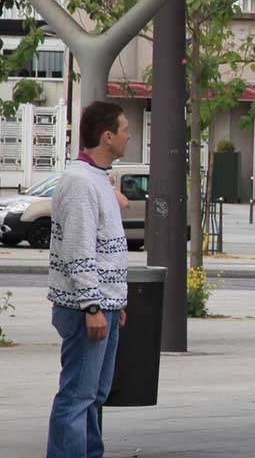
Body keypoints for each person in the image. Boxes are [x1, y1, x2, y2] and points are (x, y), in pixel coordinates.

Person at [46, 101, 131, 458]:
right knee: (78, 396)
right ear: (107, 136)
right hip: (86, 308)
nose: (130, 136)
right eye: (125, 130)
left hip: (103, 305)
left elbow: (103, 246)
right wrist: (93, 304)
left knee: (93, 395)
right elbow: (79, 249)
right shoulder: (80, 181)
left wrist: (116, 302)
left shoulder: (96, 177)